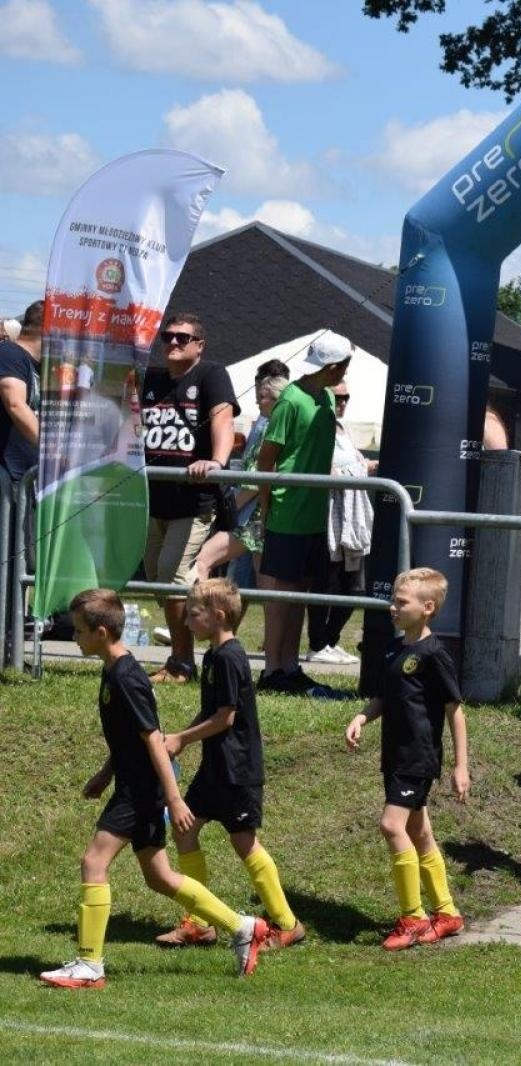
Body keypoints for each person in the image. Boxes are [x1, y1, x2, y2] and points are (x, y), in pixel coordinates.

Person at [38, 588, 270, 989]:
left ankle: (90, 965)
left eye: (79, 631)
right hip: (133, 785)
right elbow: (128, 738)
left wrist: (174, 797)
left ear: (102, 633)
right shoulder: (113, 670)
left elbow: (153, 739)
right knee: (160, 877)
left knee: (94, 862)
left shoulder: (127, 677)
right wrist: (105, 773)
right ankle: (243, 927)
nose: (74, 637)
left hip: (141, 791)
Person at [154, 578, 304, 950]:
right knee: (185, 831)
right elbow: (211, 711)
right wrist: (179, 739)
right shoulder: (214, 656)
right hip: (215, 768)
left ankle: (287, 924)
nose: (187, 622)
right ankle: (200, 922)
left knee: (244, 843)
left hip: (237, 770)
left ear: (218, 615)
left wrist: (183, 739)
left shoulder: (229, 657)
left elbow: (226, 718)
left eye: (193, 615)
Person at [344, 567, 469, 950]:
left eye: (401, 602)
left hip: (418, 758)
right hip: (394, 756)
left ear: (427, 607)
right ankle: (447, 914)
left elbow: (455, 710)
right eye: (393, 600)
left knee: (390, 826)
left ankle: (413, 917)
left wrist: (461, 766)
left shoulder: (435, 654)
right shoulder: (396, 649)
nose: (393, 607)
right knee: (419, 833)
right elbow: (385, 696)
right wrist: (362, 717)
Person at [140, 312, 239, 684]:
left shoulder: (211, 374)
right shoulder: (150, 378)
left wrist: (216, 460)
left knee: (173, 577)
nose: (174, 343)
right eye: (168, 337)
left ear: (199, 345)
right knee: (156, 579)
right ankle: (210, 642)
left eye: (183, 338)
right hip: (153, 500)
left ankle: (181, 662)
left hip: (193, 503)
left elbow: (223, 420)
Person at [256, 332, 351, 693]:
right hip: (288, 511)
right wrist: (267, 510)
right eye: (343, 367)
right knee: (282, 594)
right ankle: (271, 670)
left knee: (301, 591)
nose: (344, 375)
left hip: (314, 514)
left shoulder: (326, 398)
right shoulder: (290, 401)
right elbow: (266, 461)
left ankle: (290, 666)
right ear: (331, 367)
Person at [189, 367, 290, 595]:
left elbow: (253, 483)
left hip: (251, 519)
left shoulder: (270, 431)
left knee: (201, 561)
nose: (258, 402)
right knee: (268, 591)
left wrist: (230, 511)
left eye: (263, 397)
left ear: (276, 400)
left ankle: (202, 618)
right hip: (263, 518)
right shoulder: (274, 428)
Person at [307, 384, 375, 665]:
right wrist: (356, 470)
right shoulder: (316, 427)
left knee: (351, 587)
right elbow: (323, 467)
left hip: (353, 516)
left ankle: (331, 640)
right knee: (327, 583)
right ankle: (317, 643)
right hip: (328, 516)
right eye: (338, 396)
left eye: (347, 396)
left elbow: (354, 464)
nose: (343, 402)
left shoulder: (343, 430)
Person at [0, 301, 40, 650]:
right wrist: (55, 452)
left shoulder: (37, 365)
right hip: (7, 476)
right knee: (8, 561)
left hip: (23, 479)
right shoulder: (10, 354)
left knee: (19, 562)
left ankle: (10, 643)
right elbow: (15, 403)